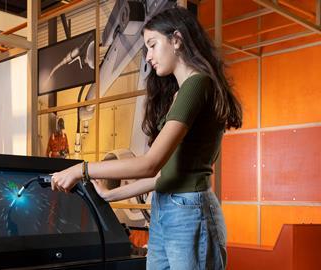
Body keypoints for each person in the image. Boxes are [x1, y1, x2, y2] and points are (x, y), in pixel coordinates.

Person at [50, 6, 242, 270]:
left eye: (152, 45)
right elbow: (161, 178)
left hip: (188, 211)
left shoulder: (198, 85)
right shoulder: (181, 93)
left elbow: (150, 163)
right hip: (167, 207)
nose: (148, 56)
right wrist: (110, 194)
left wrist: (81, 169)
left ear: (176, 40)